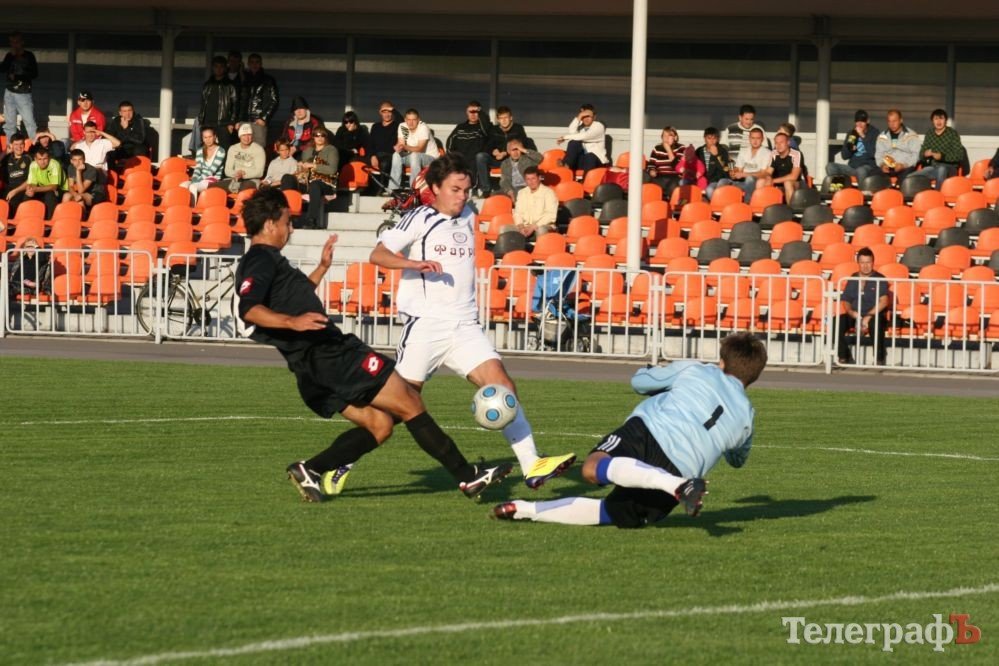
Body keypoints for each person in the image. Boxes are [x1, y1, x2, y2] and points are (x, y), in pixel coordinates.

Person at [234, 187, 512, 502]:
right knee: (410, 401)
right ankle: (467, 477)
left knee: (380, 425)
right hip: (331, 354)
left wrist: (322, 268)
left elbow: (289, 299)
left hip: (310, 366)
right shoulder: (260, 258)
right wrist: (292, 323)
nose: (290, 228)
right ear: (270, 224)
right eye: (286, 221)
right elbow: (250, 308)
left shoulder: (269, 260)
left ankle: (310, 469)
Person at [369, 152, 576, 490]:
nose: (462, 196)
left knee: (504, 386)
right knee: (397, 408)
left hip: (465, 325)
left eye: (466, 190)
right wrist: (414, 265)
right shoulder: (419, 217)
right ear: (435, 188)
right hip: (426, 324)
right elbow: (377, 254)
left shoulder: (467, 215)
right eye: (454, 189)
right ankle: (338, 463)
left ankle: (533, 464)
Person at [492, 332, 768, 528]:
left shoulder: (696, 370)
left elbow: (641, 383)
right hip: (685, 468)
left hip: (651, 431)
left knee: (593, 468)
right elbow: (737, 460)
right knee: (612, 513)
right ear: (754, 377)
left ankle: (676, 486)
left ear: (722, 362)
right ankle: (525, 510)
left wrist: (650, 372)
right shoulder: (747, 417)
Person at [837, 246, 890, 366]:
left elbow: (884, 301)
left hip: (874, 314)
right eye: (862, 263)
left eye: (868, 262)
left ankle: (879, 358)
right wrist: (851, 312)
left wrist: (869, 316)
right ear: (858, 263)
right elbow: (846, 300)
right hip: (855, 314)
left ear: (873, 263)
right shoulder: (853, 277)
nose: (865, 266)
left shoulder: (880, 278)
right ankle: (844, 355)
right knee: (836, 323)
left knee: (875, 323)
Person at [478, 105, 534, 197]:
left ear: (511, 118)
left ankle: (519, 189)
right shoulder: (493, 130)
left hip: (511, 159)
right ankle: (486, 190)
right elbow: (486, 145)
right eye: (501, 118)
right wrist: (493, 151)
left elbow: (521, 144)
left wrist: (505, 152)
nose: (503, 120)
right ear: (498, 119)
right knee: (480, 156)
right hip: (496, 159)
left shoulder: (518, 128)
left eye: (506, 117)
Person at [296, 126, 339, 229]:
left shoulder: (331, 150)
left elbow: (332, 169)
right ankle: (288, 217)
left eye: (322, 135)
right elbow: (304, 170)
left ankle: (312, 220)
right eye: (317, 135)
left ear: (326, 137)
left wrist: (313, 165)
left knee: (315, 185)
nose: (319, 138)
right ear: (313, 137)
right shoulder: (307, 151)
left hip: (325, 183)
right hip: (307, 182)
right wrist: (301, 166)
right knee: (287, 179)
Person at [446, 101, 491, 194]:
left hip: (475, 156)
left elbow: (487, 127)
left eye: (476, 112)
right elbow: (450, 141)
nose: (473, 115)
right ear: (467, 113)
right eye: (471, 112)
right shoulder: (460, 127)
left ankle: (473, 188)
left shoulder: (483, 127)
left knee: (476, 159)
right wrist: (452, 154)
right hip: (460, 156)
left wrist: (480, 112)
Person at [388, 108, 440, 191]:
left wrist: (404, 146)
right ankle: (394, 189)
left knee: (415, 155)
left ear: (418, 120)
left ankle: (414, 189)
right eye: (408, 119)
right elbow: (401, 143)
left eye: (414, 120)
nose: (411, 122)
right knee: (396, 155)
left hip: (430, 158)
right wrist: (398, 147)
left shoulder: (423, 127)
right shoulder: (402, 126)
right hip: (412, 156)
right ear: (405, 119)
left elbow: (420, 148)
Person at [1, 31, 39, 141]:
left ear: (22, 42)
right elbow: (3, 69)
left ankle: (34, 147)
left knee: (29, 122)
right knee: (10, 123)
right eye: (12, 42)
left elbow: (34, 74)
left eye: (16, 42)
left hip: (23, 92)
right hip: (9, 92)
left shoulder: (28, 56)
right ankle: (10, 149)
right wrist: (11, 56)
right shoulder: (9, 55)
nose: (14, 45)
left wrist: (19, 77)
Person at [718, 127, 771, 203]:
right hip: (742, 182)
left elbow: (763, 174)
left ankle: (747, 204)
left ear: (762, 139)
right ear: (749, 139)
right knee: (722, 181)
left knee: (750, 179)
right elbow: (739, 168)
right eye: (753, 138)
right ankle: (722, 206)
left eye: (758, 138)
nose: (755, 141)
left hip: (755, 183)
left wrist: (744, 174)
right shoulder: (744, 151)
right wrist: (734, 172)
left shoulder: (767, 153)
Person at [826, 109, 878, 185]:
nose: (859, 124)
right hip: (852, 167)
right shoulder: (851, 133)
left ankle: (862, 194)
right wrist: (850, 149)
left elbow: (874, 154)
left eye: (862, 121)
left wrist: (863, 136)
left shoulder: (874, 133)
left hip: (868, 167)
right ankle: (839, 191)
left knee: (861, 171)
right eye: (857, 121)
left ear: (867, 121)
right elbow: (844, 156)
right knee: (830, 166)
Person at [198, 57, 239, 149]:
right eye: (216, 66)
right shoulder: (207, 84)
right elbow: (203, 103)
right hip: (207, 122)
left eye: (221, 66)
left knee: (225, 149)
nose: (219, 69)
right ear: (213, 68)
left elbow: (235, 105)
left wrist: (232, 122)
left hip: (223, 123)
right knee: (206, 148)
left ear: (225, 68)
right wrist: (201, 120)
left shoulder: (230, 85)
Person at [917, 109, 965, 189]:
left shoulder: (952, 134)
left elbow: (959, 155)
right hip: (933, 168)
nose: (938, 121)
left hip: (949, 168)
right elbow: (921, 153)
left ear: (945, 120)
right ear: (932, 121)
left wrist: (942, 157)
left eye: (941, 118)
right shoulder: (930, 134)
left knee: (942, 169)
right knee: (912, 176)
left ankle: (937, 196)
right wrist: (924, 154)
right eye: (936, 119)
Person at [241, 53, 279, 148]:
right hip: (244, 120)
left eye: (257, 62)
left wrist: (264, 118)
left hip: (259, 121)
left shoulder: (268, 80)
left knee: (259, 149)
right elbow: (240, 100)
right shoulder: (244, 79)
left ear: (261, 64)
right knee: (244, 150)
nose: (254, 64)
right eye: (252, 62)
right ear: (248, 64)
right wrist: (239, 120)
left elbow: (274, 100)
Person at [556, 104, 608, 174]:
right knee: (573, 142)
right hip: (583, 160)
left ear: (594, 117)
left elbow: (586, 136)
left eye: (588, 116)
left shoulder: (598, 126)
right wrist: (579, 117)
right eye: (583, 117)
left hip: (597, 161)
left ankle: (586, 182)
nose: (585, 119)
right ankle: (566, 166)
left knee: (590, 156)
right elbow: (571, 132)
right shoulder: (581, 128)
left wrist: (565, 137)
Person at [181, 126, 226, 204]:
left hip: (213, 179)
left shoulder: (221, 151)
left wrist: (195, 181)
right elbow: (198, 168)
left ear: (215, 137)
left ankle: (192, 209)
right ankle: (182, 206)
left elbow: (212, 171)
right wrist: (194, 178)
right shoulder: (200, 151)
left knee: (193, 186)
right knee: (183, 185)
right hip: (200, 179)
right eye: (205, 137)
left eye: (210, 137)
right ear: (202, 138)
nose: (208, 140)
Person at [216, 123, 266, 192]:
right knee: (213, 187)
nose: (246, 138)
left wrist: (243, 174)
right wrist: (237, 174)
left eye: (249, 135)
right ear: (239, 136)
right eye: (244, 135)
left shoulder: (259, 149)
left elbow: (259, 172)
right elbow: (227, 170)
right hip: (235, 178)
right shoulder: (233, 148)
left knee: (244, 190)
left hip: (251, 179)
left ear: (252, 136)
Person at [511, 166, 557, 238]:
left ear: (539, 178)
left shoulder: (548, 193)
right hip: (525, 225)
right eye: (528, 179)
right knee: (505, 229)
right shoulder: (521, 193)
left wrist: (534, 226)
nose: (531, 182)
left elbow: (551, 215)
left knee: (541, 230)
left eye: (533, 178)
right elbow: (518, 212)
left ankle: (541, 249)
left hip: (543, 225)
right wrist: (520, 226)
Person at [647, 126, 692, 198]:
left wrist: (668, 150)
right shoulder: (657, 148)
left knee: (673, 186)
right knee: (651, 185)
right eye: (664, 136)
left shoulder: (681, 148)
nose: (666, 138)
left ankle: (671, 204)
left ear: (675, 137)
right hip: (660, 177)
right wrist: (652, 171)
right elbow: (651, 165)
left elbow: (678, 167)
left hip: (675, 177)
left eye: (669, 135)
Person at [755, 131, 802, 201]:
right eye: (776, 143)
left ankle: (791, 210)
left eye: (781, 142)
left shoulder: (796, 154)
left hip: (794, 183)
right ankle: (761, 206)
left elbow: (794, 176)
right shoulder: (774, 153)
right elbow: (768, 172)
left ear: (788, 143)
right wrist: (768, 178)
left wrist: (773, 181)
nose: (778, 145)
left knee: (787, 183)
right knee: (760, 181)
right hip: (777, 183)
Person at [875, 109, 920, 180]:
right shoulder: (882, 136)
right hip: (887, 167)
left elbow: (916, 155)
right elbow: (878, 154)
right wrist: (882, 165)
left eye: (894, 121)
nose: (892, 124)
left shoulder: (911, 135)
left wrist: (904, 165)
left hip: (904, 167)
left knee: (905, 179)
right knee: (872, 177)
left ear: (901, 120)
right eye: (889, 121)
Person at [23, 146, 64, 218]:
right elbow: (31, 183)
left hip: (60, 189)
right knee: (27, 194)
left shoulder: (54, 164)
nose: (42, 162)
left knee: (50, 195)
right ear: (35, 159)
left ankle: (50, 222)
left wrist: (36, 189)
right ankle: (27, 219)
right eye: (40, 159)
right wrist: (30, 189)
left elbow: (54, 186)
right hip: (42, 188)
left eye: (45, 159)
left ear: (49, 158)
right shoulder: (33, 165)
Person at [368, 101, 403, 185]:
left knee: (384, 163)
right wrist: (372, 156)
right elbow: (370, 143)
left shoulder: (397, 125)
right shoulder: (375, 126)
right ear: (380, 113)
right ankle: (367, 189)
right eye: (384, 112)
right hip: (376, 155)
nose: (387, 114)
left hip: (389, 156)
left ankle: (382, 188)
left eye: (389, 112)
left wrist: (393, 109)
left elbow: (403, 122)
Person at [105, 100, 149, 165]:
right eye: (124, 111)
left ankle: (137, 172)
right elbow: (110, 135)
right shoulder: (116, 121)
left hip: (134, 148)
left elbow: (140, 140)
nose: (127, 114)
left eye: (129, 110)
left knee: (140, 149)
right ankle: (111, 173)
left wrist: (126, 129)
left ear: (133, 111)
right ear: (120, 113)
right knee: (109, 151)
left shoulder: (138, 121)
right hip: (120, 148)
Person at [695, 127, 731, 199]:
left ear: (718, 139)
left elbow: (726, 170)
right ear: (704, 138)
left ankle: (717, 207)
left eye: (714, 138)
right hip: (702, 180)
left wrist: (716, 155)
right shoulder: (699, 151)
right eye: (709, 138)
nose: (712, 141)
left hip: (716, 181)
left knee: (710, 190)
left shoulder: (722, 151)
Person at [2, 132, 33, 215]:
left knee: (12, 202)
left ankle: (11, 226)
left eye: (21, 144)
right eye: (16, 144)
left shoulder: (30, 158)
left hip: (23, 188)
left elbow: (31, 180)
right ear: (11, 145)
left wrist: (15, 191)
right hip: (8, 188)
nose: (19, 147)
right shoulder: (6, 158)